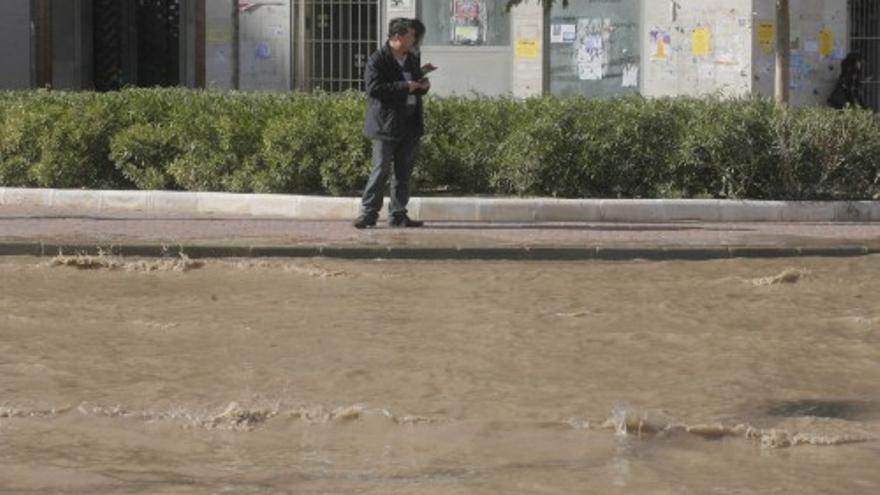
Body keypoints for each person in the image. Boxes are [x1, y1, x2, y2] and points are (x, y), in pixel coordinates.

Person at [354, 18, 431, 229]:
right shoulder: (378, 59)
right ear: (397, 37)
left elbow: (416, 83)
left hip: (409, 123)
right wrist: (405, 86)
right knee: (380, 170)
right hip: (385, 125)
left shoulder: (411, 59)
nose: (413, 40)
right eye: (410, 36)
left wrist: (423, 85)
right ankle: (368, 213)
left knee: (403, 173)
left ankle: (398, 214)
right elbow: (374, 88)